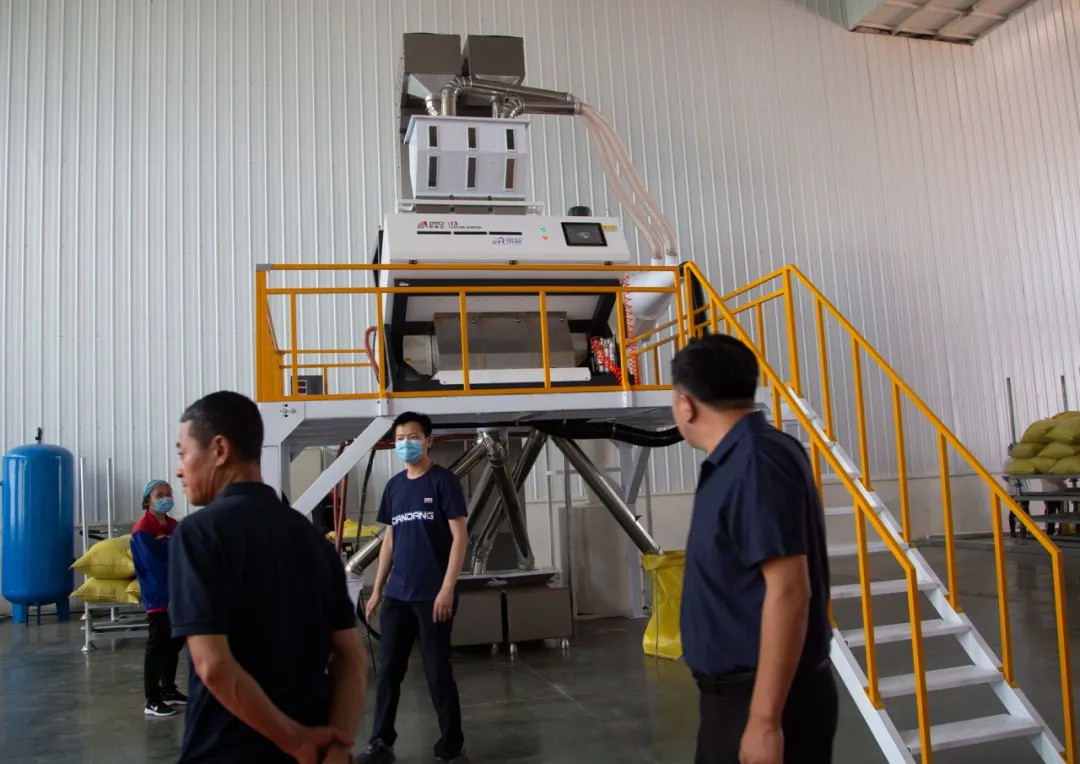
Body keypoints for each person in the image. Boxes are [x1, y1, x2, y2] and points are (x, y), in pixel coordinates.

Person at [168, 390, 368, 764]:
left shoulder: (198, 535)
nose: (180, 469)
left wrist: (294, 739)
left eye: (183, 453)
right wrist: (338, 745)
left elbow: (213, 665)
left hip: (227, 753)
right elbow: (351, 656)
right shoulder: (313, 540)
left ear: (220, 449)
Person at [671, 335, 836, 764]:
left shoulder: (755, 462)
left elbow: (789, 590)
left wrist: (764, 721)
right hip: (742, 697)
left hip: (762, 699)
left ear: (686, 405)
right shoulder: (748, 455)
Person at [357, 412, 470, 764]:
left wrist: (447, 588)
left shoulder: (443, 482)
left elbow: (460, 537)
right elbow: (389, 542)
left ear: (428, 441)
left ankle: (451, 746)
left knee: (437, 672)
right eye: (400, 438)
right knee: (389, 671)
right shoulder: (394, 487)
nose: (406, 443)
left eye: (413, 437)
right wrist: (377, 590)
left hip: (433, 596)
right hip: (398, 596)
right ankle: (381, 742)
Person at [130, 479, 187, 718]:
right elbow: (153, 566)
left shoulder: (174, 526)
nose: (165, 499)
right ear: (148, 500)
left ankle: (168, 689)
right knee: (158, 644)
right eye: (159, 495)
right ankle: (152, 699)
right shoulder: (143, 529)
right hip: (158, 594)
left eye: (168, 494)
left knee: (175, 641)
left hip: (177, 592)